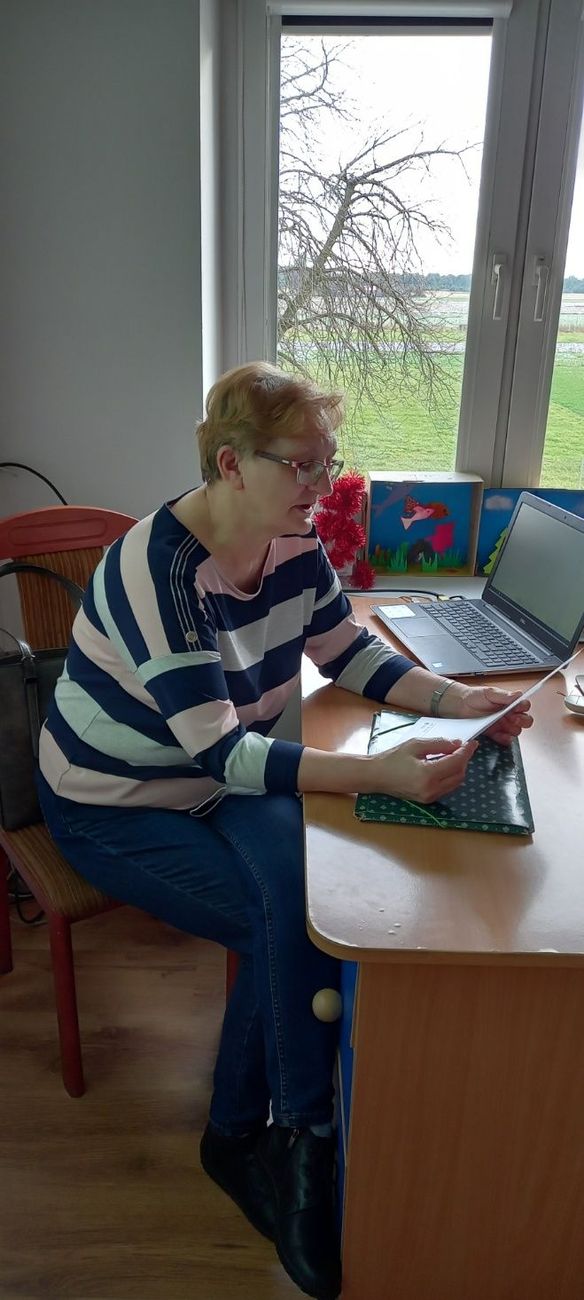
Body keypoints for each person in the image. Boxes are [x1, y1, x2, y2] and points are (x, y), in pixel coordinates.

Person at [36, 361, 532, 1300]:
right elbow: (224, 752)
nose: (321, 484)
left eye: (327, 462)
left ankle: (278, 1136)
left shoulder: (292, 537)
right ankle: (278, 1140)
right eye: (303, 464)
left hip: (222, 775)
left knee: (299, 911)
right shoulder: (160, 569)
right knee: (289, 927)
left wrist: (455, 699)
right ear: (231, 464)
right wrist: (380, 773)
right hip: (113, 801)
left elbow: (346, 653)